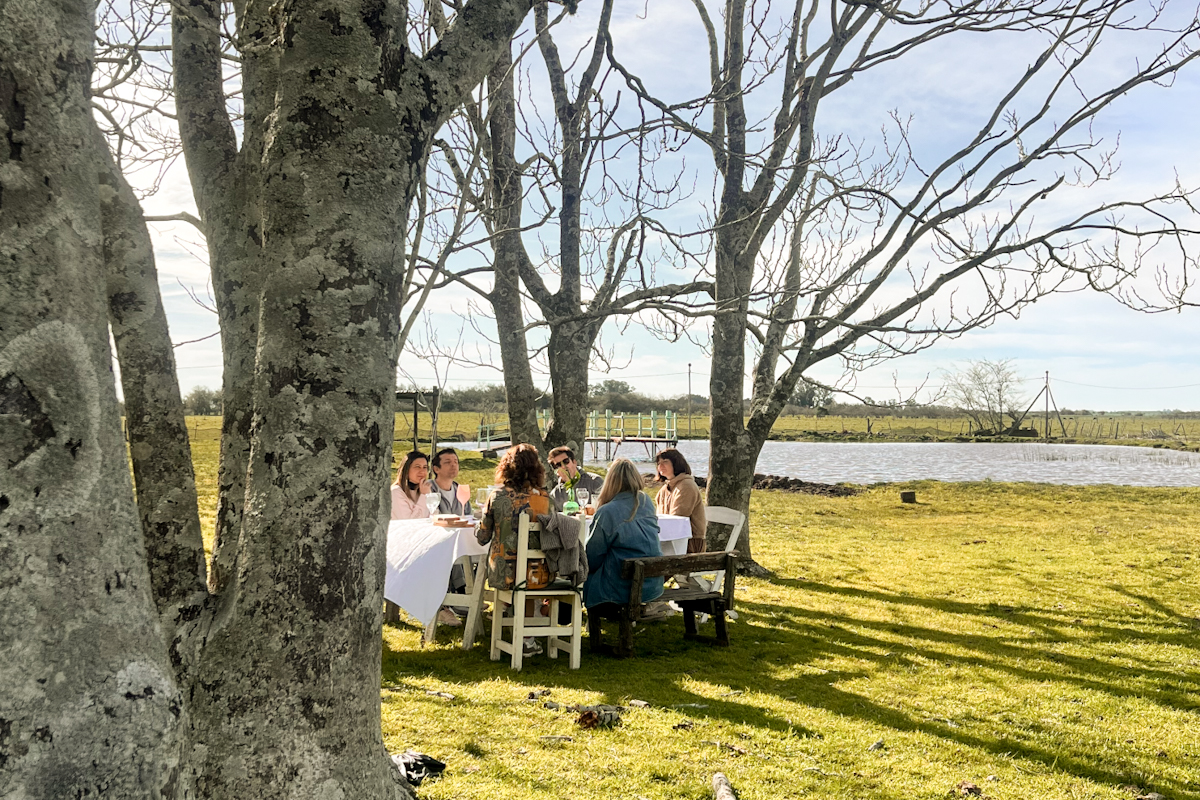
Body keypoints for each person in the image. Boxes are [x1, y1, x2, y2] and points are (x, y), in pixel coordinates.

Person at [475, 443, 553, 657]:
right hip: (538, 574)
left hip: (504, 572)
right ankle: (527, 638)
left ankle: (503, 622)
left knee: (511, 575)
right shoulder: (545, 498)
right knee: (527, 582)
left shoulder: (498, 496)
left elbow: (482, 537)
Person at [583, 458, 664, 611]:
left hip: (619, 589)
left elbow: (592, 557)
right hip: (651, 586)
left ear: (610, 481)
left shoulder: (607, 511)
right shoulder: (645, 501)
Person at [654, 448, 707, 553]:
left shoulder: (686, 486)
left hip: (689, 544)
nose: (660, 466)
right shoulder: (664, 490)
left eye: (665, 462)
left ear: (676, 463)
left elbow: (676, 521)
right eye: (659, 463)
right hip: (668, 540)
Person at [548, 445, 604, 512]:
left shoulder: (595, 482)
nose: (563, 466)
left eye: (566, 461)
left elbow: (607, 510)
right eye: (558, 465)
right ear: (556, 472)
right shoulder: (555, 494)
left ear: (574, 462)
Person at [391, 450, 435, 520]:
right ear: (407, 470)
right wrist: (424, 496)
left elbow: (435, 515)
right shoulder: (395, 492)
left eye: (425, 467)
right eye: (417, 467)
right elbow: (410, 523)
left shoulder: (424, 489)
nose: (422, 471)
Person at [431, 448, 471, 516]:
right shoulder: (427, 490)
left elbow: (469, 516)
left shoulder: (461, 490)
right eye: (447, 462)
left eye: (455, 462)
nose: (453, 465)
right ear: (436, 469)